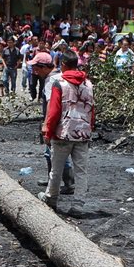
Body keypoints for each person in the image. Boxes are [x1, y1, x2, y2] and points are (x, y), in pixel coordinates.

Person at [39, 51, 95, 212]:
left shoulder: (59, 83)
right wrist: (89, 127)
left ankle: (51, 198)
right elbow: (92, 109)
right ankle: (78, 205)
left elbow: (54, 111)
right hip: (83, 133)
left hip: (63, 132)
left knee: (56, 169)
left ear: (63, 64)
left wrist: (48, 132)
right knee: (81, 171)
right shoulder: (88, 84)